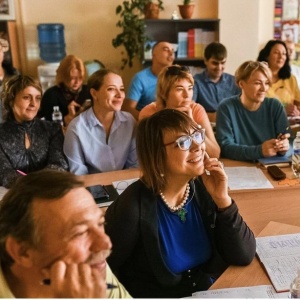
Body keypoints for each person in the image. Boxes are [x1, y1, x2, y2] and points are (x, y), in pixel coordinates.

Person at [105, 109, 256, 298]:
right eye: (183, 142)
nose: (198, 147)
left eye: (198, 136)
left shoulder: (202, 188)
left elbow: (243, 255)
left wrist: (223, 200)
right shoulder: (132, 207)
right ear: (156, 155)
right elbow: (100, 273)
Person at [0, 169, 131, 298]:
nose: (105, 244)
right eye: (80, 233)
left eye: (100, 223)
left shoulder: (89, 264)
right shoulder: (83, 261)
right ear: (23, 251)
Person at [64, 69, 137, 175]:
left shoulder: (130, 121)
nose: (119, 95)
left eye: (121, 89)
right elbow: (78, 175)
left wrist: (119, 189)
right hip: (90, 189)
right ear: (94, 93)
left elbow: (134, 165)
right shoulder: (76, 127)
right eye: (111, 89)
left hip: (125, 187)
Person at [0, 75, 68, 188]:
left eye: (38, 98)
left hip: (50, 190)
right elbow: (4, 173)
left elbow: (58, 165)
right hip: (14, 196)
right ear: (11, 100)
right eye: (27, 97)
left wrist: (37, 184)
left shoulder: (53, 129)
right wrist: (32, 185)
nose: (33, 104)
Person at [139, 64, 220, 158]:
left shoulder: (196, 109)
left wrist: (192, 124)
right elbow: (152, 156)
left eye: (190, 88)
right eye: (180, 89)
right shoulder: (149, 113)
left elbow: (215, 153)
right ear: (163, 93)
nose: (187, 95)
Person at [216, 61, 290, 161]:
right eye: (258, 83)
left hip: (271, 167)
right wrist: (259, 151)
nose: (264, 88)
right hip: (238, 167)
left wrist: (283, 148)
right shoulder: (226, 107)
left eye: (267, 83)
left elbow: (289, 143)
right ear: (241, 84)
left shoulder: (275, 106)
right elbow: (225, 147)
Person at [122, 41, 175, 120]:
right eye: (166, 49)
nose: (171, 53)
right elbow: (128, 108)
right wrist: (149, 121)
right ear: (153, 54)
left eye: (173, 51)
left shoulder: (176, 78)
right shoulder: (140, 78)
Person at [193, 42, 240, 122]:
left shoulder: (234, 81)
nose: (219, 67)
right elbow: (191, 109)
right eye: (215, 63)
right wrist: (214, 116)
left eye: (223, 63)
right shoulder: (196, 81)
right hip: (206, 125)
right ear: (205, 61)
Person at [39, 54, 91, 126]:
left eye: (80, 78)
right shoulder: (51, 95)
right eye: (72, 78)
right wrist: (65, 120)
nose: (77, 82)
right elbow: (46, 125)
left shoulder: (89, 91)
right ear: (63, 76)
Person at [257, 40, 300, 117]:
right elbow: (251, 107)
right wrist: (281, 111)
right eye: (276, 53)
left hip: (289, 125)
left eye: (284, 54)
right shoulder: (256, 77)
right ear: (267, 56)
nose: (281, 57)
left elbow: (298, 104)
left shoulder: (291, 79)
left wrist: (297, 112)